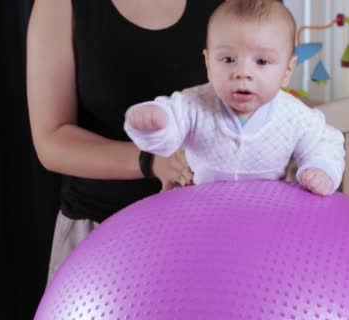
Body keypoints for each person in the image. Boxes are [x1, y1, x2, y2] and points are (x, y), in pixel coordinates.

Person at [26, 0, 223, 285]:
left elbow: (260, 103)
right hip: (98, 235)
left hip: (209, 236)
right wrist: (151, 160)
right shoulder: (58, 4)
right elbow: (52, 139)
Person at [124, 0, 346, 196]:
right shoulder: (194, 103)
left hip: (267, 210)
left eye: (261, 62)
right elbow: (171, 124)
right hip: (201, 209)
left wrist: (321, 167)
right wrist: (156, 123)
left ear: (287, 71)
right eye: (229, 59)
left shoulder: (293, 115)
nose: (242, 72)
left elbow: (323, 141)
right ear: (209, 63)